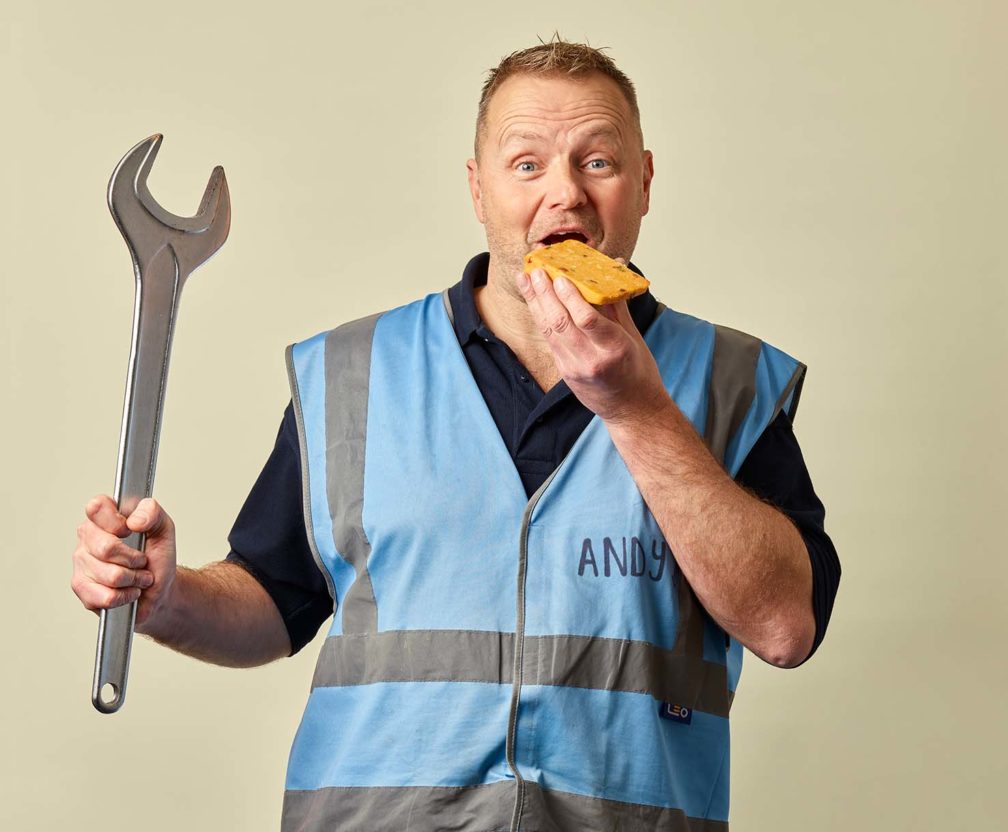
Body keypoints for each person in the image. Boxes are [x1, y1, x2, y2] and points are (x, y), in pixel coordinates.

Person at [72, 40, 840, 832]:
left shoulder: (732, 384)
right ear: (478, 189)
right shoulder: (354, 373)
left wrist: (637, 410)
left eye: (598, 162)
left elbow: (785, 627)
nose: (565, 196)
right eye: (526, 165)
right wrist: (165, 594)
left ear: (645, 181)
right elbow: (273, 601)